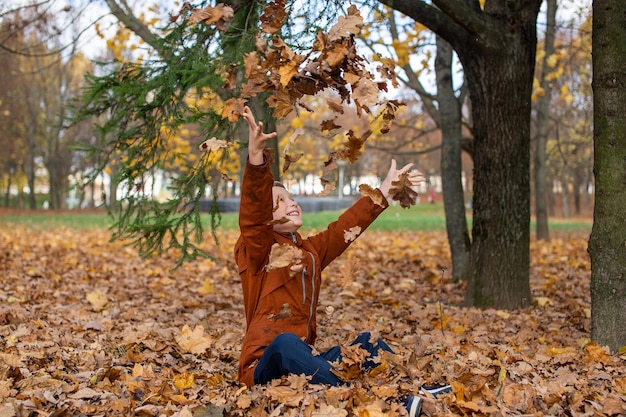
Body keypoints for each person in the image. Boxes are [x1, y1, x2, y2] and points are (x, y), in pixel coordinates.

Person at [235, 106, 450, 416]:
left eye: (290, 198)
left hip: (303, 362)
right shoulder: (257, 252)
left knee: (366, 343)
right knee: (285, 343)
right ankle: (376, 406)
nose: (291, 204)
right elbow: (253, 219)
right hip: (265, 366)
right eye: (278, 204)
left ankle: (413, 392)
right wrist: (256, 161)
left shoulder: (310, 251)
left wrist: (384, 192)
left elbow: (343, 230)